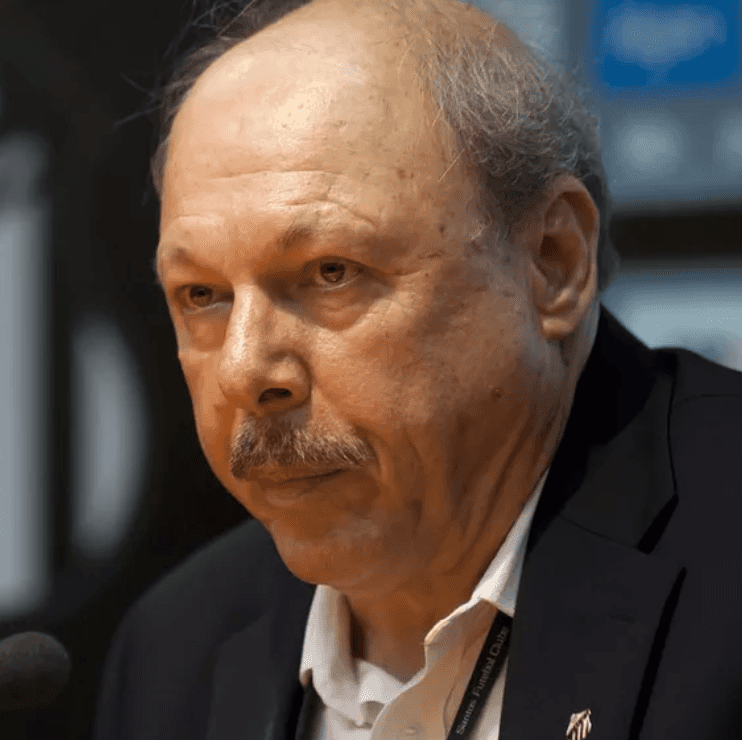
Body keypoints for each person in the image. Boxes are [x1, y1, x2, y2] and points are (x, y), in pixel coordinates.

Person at [93, 1, 742, 738]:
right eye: (202, 296)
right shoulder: (175, 652)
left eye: (330, 272)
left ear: (553, 263)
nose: (244, 370)